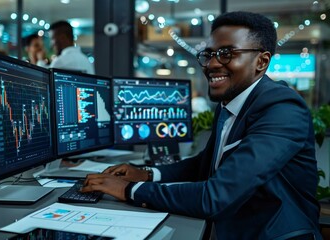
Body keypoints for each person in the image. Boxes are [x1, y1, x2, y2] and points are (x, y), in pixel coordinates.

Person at [81, 11, 321, 239]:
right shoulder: (229, 105)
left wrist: (129, 189)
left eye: (227, 53)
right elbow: (206, 164)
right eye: (209, 54)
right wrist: (147, 173)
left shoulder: (282, 108)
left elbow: (216, 196)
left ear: (261, 61)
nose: (212, 64)